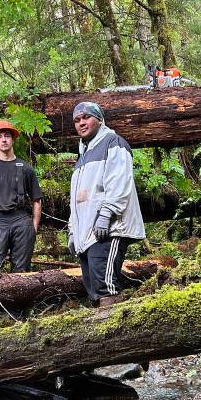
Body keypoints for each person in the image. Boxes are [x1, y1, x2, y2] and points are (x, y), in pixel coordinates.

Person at [68, 101, 146, 307]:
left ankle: (116, 332)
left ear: (99, 119)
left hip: (109, 228)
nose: (81, 123)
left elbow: (120, 182)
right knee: (93, 288)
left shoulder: (113, 143)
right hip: (86, 234)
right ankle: (102, 331)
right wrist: (72, 232)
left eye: (86, 117)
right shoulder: (82, 156)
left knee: (105, 286)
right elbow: (77, 199)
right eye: (77, 120)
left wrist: (106, 215)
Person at [0, 119, 43, 275]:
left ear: (13, 139)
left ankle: (20, 300)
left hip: (21, 221)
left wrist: (33, 227)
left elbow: (36, 200)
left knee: (21, 271)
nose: (3, 139)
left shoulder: (25, 168)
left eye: (7, 136)